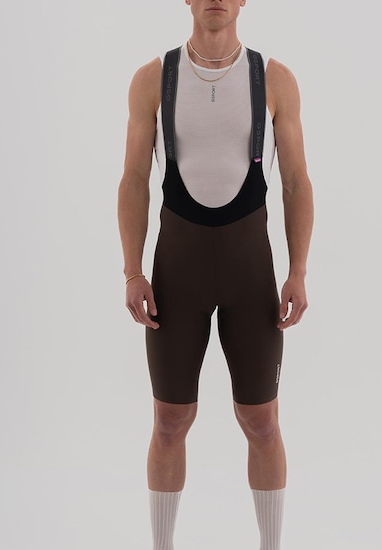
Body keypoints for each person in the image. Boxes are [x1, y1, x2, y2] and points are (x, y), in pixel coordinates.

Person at [117, 1, 314, 548]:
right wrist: (132, 271)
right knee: (169, 422)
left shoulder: (273, 78)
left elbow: (296, 180)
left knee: (263, 423)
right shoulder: (153, 78)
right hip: (176, 272)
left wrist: (298, 271)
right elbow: (133, 178)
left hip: (250, 273)